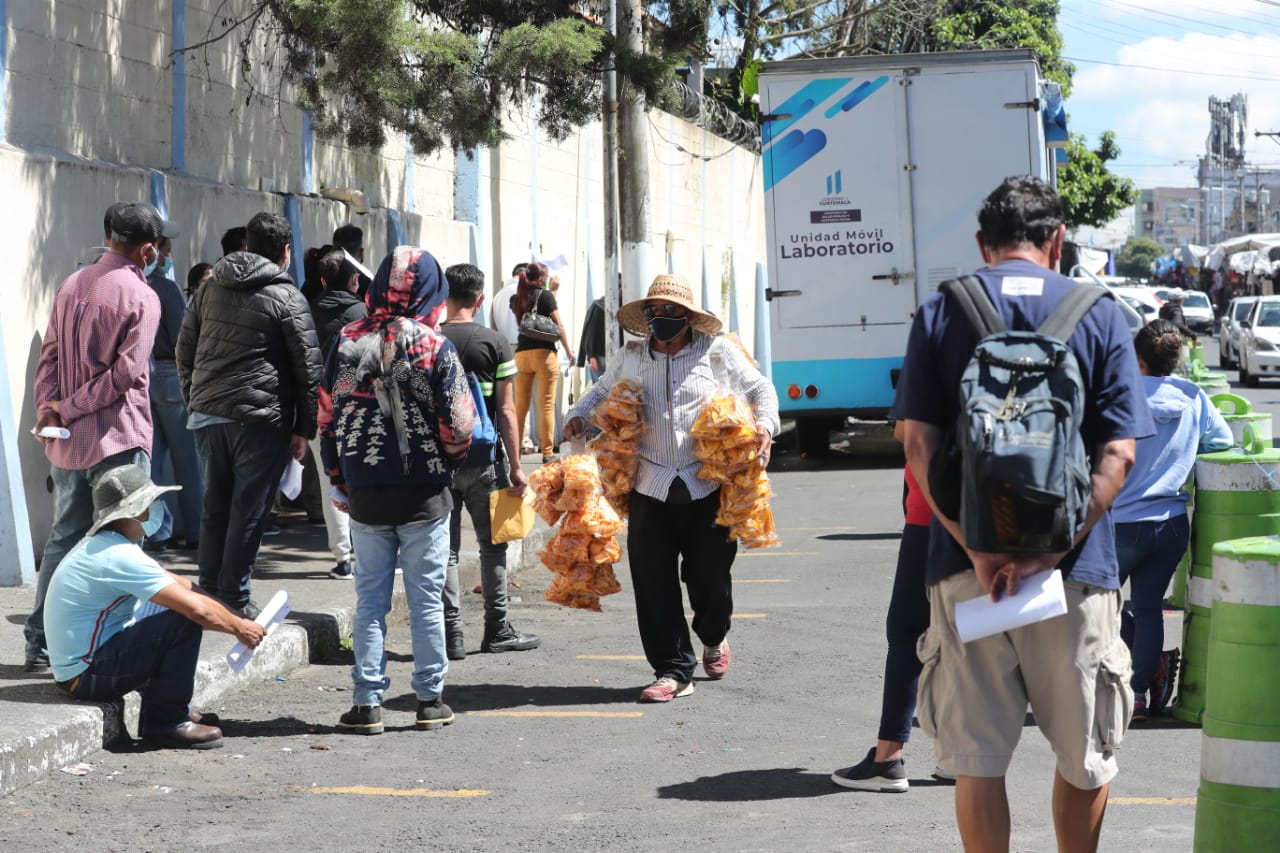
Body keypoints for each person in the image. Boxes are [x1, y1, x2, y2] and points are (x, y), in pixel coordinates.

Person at [893, 175, 1153, 851]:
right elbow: (1119, 455)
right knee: (1084, 755)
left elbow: (918, 445)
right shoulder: (1099, 312)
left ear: (984, 244)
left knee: (978, 761)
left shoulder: (943, 311)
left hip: (966, 571)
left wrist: (975, 545)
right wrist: (1051, 551)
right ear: (1058, 239)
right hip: (1073, 573)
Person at [564, 274, 779, 703]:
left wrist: (764, 426)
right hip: (650, 484)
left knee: (710, 581)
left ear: (689, 318)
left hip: (707, 484)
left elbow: (761, 388)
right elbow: (598, 394)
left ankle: (714, 636)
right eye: (655, 312)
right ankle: (672, 670)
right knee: (653, 581)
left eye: (672, 312)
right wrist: (577, 417)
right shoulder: (630, 357)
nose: (662, 319)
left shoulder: (716, 352)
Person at [319, 245, 476, 735]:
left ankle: (367, 703)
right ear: (431, 291)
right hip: (424, 495)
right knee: (426, 597)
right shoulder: (434, 347)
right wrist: (447, 462)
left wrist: (340, 479)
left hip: (365, 493)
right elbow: (458, 425)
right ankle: (429, 701)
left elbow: (328, 418)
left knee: (370, 599)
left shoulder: (346, 341)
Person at [24, 202, 167, 673]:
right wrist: (65, 406)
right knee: (124, 541)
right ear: (147, 250)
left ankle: (41, 640)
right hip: (117, 437)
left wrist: (51, 406)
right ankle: (113, 639)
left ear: (109, 236)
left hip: (67, 439)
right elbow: (124, 377)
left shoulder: (71, 284)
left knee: (66, 537)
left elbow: (48, 358)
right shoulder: (143, 297)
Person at [45, 464, 266, 749]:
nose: (158, 508)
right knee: (181, 621)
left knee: (167, 609)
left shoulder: (111, 546)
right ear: (138, 510)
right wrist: (239, 629)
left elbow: (182, 585)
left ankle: (167, 705)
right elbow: (196, 611)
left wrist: (236, 617)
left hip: (82, 668)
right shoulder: (118, 555)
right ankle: (166, 722)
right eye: (153, 502)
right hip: (85, 676)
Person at [176, 212, 322, 617]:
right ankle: (235, 599)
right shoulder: (287, 295)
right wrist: (303, 430)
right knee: (248, 510)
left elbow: (183, 350)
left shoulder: (208, 289)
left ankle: (209, 592)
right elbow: (309, 369)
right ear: (286, 252)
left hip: (208, 415)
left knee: (215, 506)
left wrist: (195, 398)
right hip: (259, 420)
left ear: (247, 244)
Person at [1113, 320, 1232, 721]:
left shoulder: (1119, 396)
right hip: (1171, 523)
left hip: (1119, 523)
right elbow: (1223, 441)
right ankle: (1139, 694)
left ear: (1138, 357)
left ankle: (1113, 681)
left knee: (1100, 607)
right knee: (1148, 609)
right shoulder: (1193, 396)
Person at [439, 262, 539, 659]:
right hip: (485, 459)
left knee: (443, 551)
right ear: (480, 300)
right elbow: (507, 411)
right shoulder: (495, 343)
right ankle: (496, 629)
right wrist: (517, 467)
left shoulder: (430, 340)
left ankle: (451, 635)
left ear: (444, 296)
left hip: (439, 464)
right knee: (493, 546)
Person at [831, 437, 942, 793]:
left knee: (908, 633)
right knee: (965, 632)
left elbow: (911, 434)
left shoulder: (932, 376)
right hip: (993, 512)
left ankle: (887, 757)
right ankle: (963, 754)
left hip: (934, 509)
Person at [146, 228, 205, 552]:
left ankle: (157, 532)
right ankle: (196, 530)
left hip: (143, 376)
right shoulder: (166, 289)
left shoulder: (133, 285)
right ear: (155, 250)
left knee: (152, 461)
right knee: (188, 462)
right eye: (166, 251)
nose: (169, 257)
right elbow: (184, 340)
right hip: (170, 374)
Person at [308, 245, 366, 579]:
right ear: (354, 279)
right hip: (358, 408)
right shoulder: (362, 313)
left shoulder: (306, 311)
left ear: (323, 280)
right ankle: (370, 552)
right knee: (362, 479)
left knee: (331, 480)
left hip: (319, 408)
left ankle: (342, 558)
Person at [513, 261, 574, 463]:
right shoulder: (545, 295)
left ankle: (515, 451)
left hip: (522, 354)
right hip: (544, 354)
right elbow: (558, 324)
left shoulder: (518, 297)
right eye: (546, 276)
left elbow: (535, 319)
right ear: (541, 279)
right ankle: (547, 452)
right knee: (546, 404)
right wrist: (568, 351)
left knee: (520, 406)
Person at [490, 263, 527, 349]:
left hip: (503, 348)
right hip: (525, 348)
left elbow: (494, 327)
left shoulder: (497, 296)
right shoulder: (526, 291)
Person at [577, 296, 607, 384]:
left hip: (612, 357)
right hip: (600, 357)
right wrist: (592, 356)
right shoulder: (598, 305)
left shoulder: (597, 305)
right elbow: (590, 331)